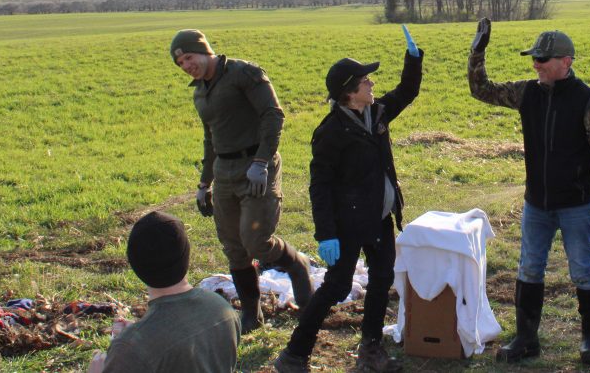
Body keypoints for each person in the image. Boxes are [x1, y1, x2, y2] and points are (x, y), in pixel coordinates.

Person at [467, 19, 590, 365]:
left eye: (543, 60)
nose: (536, 64)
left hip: (577, 205)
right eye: (534, 58)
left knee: (583, 270)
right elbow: (482, 90)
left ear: (566, 62)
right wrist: (477, 52)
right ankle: (526, 339)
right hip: (537, 204)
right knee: (529, 269)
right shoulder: (527, 93)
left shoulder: (589, 101)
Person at [273, 27, 423, 373]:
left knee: (382, 278)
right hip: (349, 224)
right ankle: (294, 355)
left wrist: (413, 59)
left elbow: (408, 91)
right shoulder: (330, 134)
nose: (372, 84)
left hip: (381, 219)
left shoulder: (378, 114)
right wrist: (326, 233)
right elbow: (319, 187)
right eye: (365, 81)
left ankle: (370, 352)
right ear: (349, 93)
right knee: (336, 287)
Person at [170, 29, 312, 333]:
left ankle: (297, 265)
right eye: (180, 63)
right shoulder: (200, 92)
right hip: (224, 172)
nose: (186, 65)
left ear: (204, 50)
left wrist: (261, 162)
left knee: (256, 240)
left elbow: (273, 115)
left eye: (189, 57)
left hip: (256, 167)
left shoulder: (243, 74)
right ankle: (251, 314)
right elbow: (210, 139)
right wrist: (203, 184)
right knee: (234, 247)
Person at [88, 211, 239, 373]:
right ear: (186, 255)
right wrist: (141, 334)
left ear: (136, 265)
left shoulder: (130, 349)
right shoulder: (222, 309)